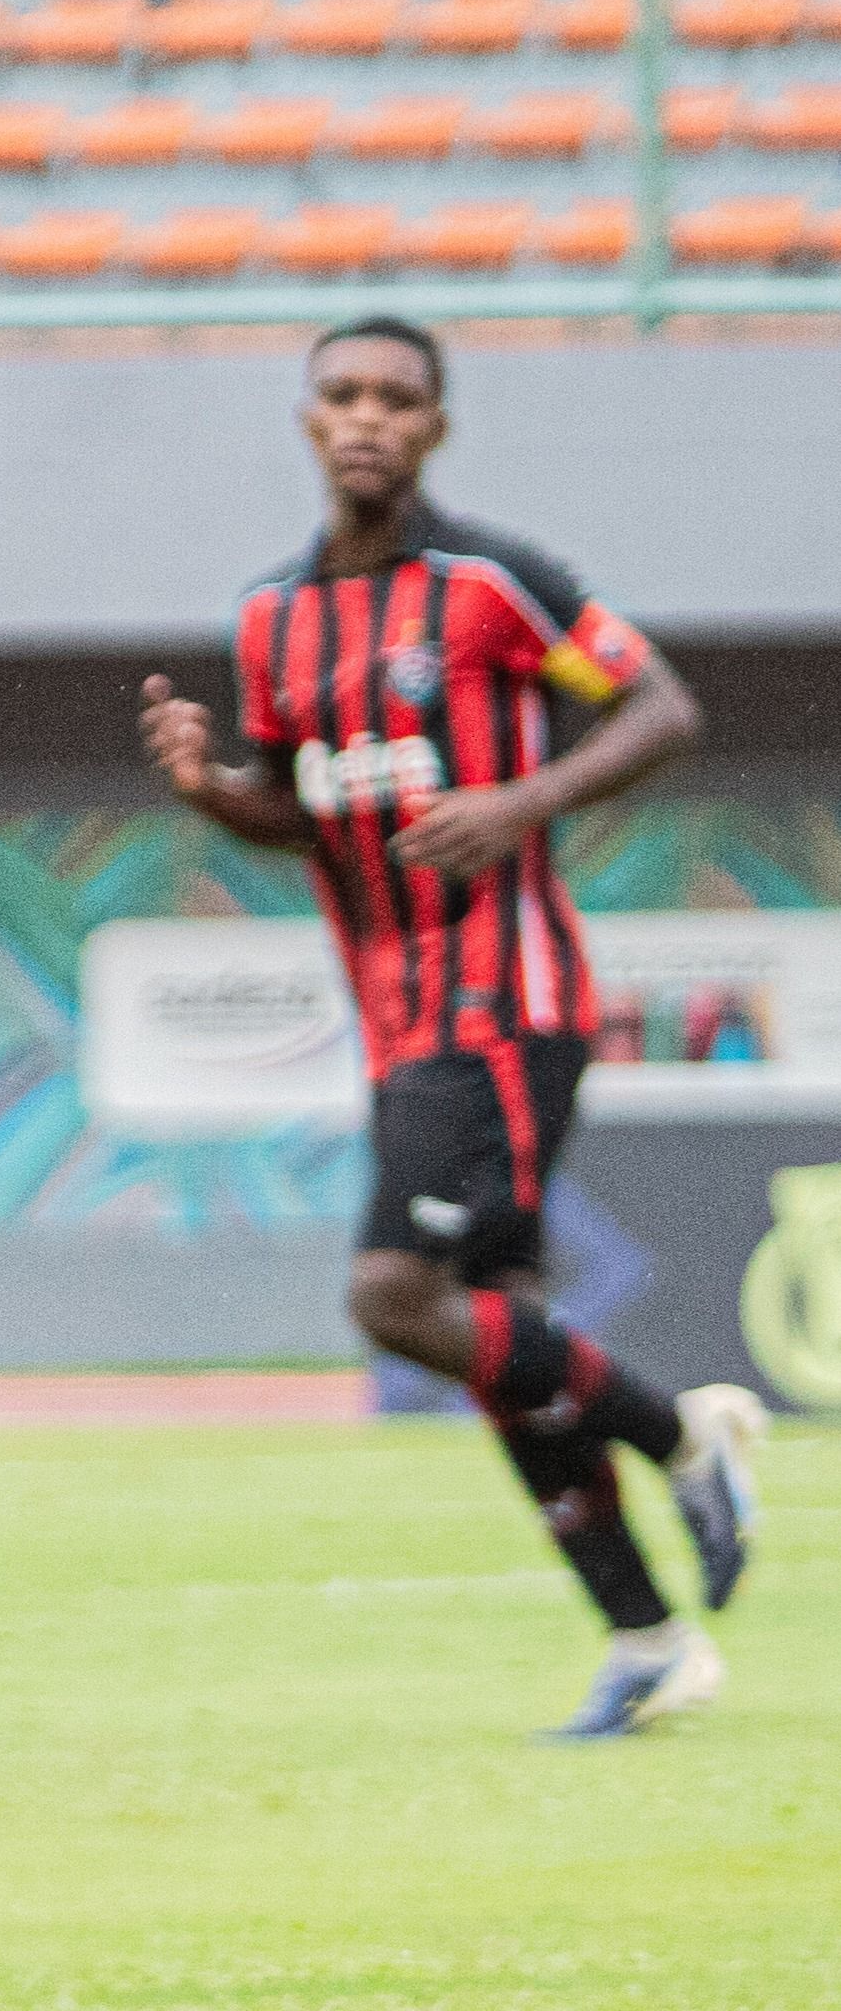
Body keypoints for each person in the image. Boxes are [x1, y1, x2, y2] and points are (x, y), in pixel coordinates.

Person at [138, 314, 765, 1741]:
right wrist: (212, 794)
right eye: (340, 394)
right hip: (391, 1011)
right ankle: (648, 1635)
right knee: (495, 1341)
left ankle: (681, 1431)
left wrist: (517, 802)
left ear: (433, 425)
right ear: (304, 419)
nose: (365, 417)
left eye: (395, 398)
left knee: (388, 1295)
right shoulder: (270, 622)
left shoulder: (491, 584)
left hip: (504, 999)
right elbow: (308, 820)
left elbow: (659, 706)